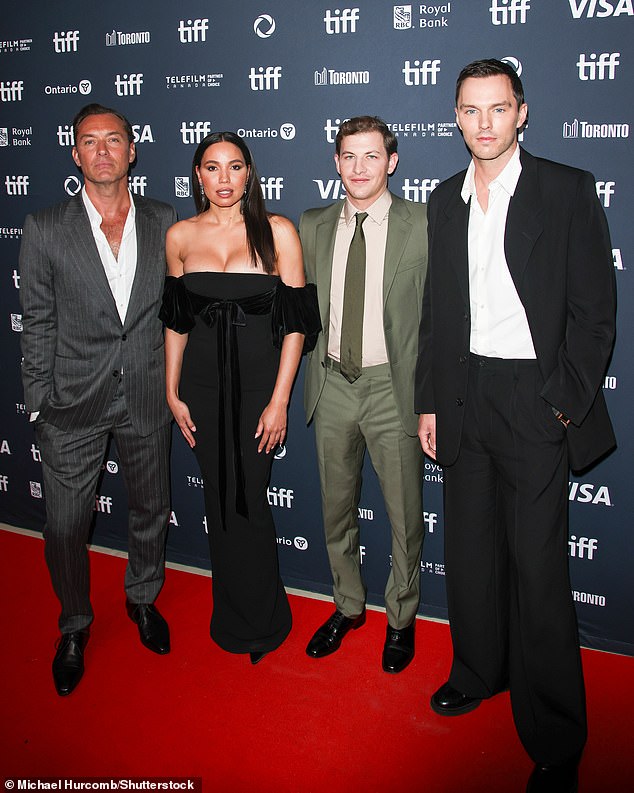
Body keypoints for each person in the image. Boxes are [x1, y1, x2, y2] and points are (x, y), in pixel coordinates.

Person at [415, 60, 616, 793]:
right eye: (471, 110)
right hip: (464, 391)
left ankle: (558, 734)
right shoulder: (443, 199)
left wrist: (561, 402)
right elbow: (435, 314)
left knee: (538, 568)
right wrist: (430, 401)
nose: (485, 123)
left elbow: (596, 314)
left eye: (498, 109)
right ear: (456, 118)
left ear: (522, 113)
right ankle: (478, 670)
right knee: (470, 554)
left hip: (535, 396)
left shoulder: (565, 189)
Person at [19, 103, 177, 696]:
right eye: (91, 141)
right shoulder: (44, 227)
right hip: (70, 404)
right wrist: (39, 402)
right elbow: (36, 319)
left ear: (132, 151)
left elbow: (178, 312)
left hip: (144, 395)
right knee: (63, 525)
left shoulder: (165, 220)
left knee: (150, 508)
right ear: (76, 153)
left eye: (115, 140)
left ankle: (142, 598)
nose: (104, 150)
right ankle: (75, 624)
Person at [160, 132, 320, 665]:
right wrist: (171, 391)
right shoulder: (180, 236)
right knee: (217, 498)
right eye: (212, 168)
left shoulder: (277, 233)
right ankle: (229, 617)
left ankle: (264, 619)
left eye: (234, 167)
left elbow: (296, 327)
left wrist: (279, 401)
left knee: (249, 495)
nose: (224, 179)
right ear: (198, 175)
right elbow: (177, 324)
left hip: (257, 390)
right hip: (201, 389)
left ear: (250, 173)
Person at [300, 116, 427, 673]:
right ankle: (348, 607)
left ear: (391, 162)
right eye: (349, 156)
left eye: (371, 156)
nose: (359, 167)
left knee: (404, 516)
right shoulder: (311, 224)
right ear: (336, 162)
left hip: (392, 388)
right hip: (331, 383)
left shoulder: (423, 223)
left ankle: (400, 619)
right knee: (335, 509)